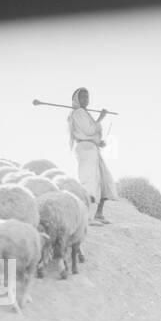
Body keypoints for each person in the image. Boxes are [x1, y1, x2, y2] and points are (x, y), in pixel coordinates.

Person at [67, 87, 117, 224]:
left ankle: (99, 214)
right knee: (89, 181)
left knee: (104, 179)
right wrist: (101, 117)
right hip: (85, 150)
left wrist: (98, 142)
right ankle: (86, 217)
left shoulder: (84, 113)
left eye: (87, 97)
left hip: (92, 148)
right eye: (82, 97)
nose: (85, 100)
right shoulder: (78, 113)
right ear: (76, 99)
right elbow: (88, 130)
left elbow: (89, 134)